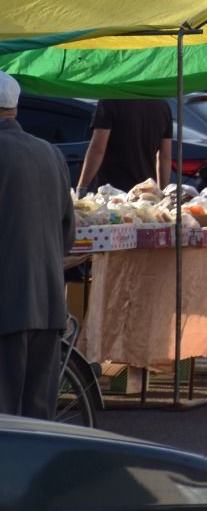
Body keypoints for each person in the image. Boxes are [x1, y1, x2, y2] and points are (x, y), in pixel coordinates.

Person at [0, 71, 76, 420]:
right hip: (47, 305)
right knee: (38, 419)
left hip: (8, 305)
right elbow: (67, 233)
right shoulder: (50, 153)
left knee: (6, 418)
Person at [76, 98, 172, 196]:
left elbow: (98, 148)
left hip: (111, 192)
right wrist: (163, 194)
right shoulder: (162, 105)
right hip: (144, 192)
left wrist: (82, 187)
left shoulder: (111, 99)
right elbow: (165, 157)